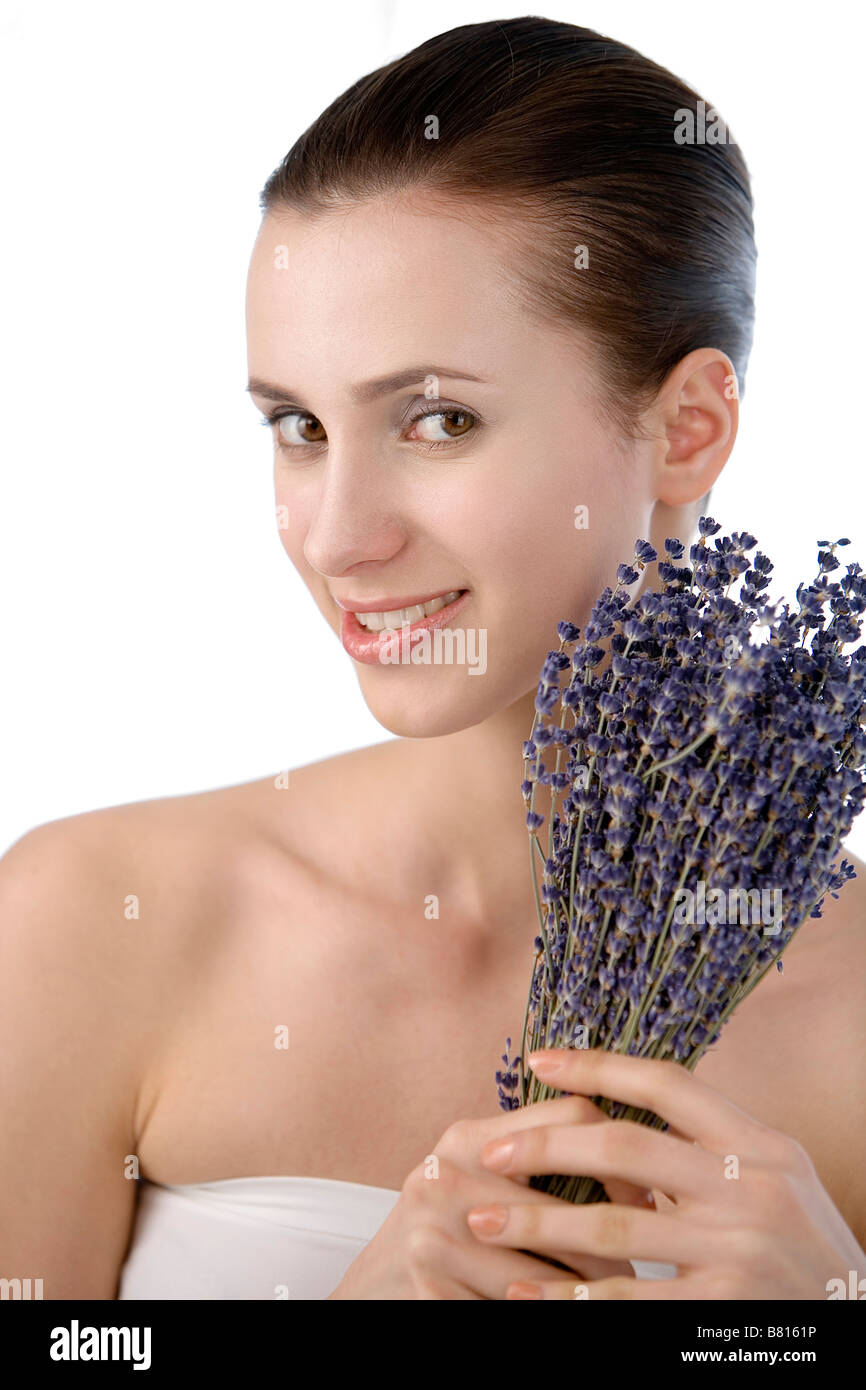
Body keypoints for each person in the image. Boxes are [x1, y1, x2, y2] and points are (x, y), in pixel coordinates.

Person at [2, 17, 864, 1301]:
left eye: (437, 418)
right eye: (296, 426)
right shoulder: (87, 920)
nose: (339, 535)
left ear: (684, 428)